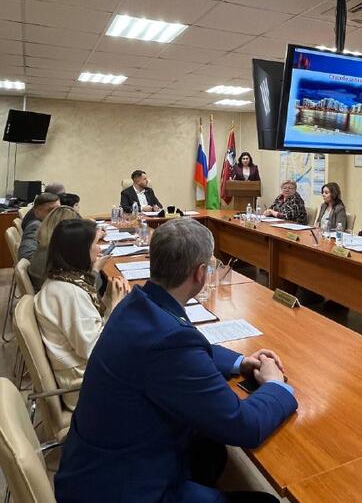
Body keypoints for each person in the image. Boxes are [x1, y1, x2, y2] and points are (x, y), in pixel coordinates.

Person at [55, 218, 297, 502]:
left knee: (210, 449)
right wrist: (275, 385)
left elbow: (186, 347)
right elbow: (245, 426)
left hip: (101, 462)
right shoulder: (169, 340)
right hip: (124, 488)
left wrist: (240, 362)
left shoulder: (137, 303)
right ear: (200, 273)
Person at [34, 219, 129, 410]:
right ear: (80, 250)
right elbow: (95, 349)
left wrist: (108, 299)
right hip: (86, 386)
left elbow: (91, 325)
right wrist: (116, 308)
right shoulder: (69, 293)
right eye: (95, 244)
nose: (99, 249)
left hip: (83, 372)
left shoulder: (63, 279)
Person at [29, 206, 82, 292]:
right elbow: (84, 290)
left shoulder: (44, 248)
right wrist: (96, 269)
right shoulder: (55, 257)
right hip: (56, 296)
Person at [18, 193, 60, 261]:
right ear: (37, 212)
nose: (56, 213)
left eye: (58, 210)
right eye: (51, 210)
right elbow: (26, 255)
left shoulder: (51, 224)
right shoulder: (36, 226)